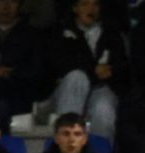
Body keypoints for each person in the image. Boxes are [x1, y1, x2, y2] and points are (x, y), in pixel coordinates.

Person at [47, 0, 128, 143]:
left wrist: (110, 71)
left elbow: (122, 67)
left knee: (103, 108)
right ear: (75, 8)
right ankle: (65, 151)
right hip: (67, 90)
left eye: (95, 4)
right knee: (78, 77)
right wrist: (93, 70)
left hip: (100, 88)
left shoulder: (111, 34)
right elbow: (58, 64)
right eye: (85, 4)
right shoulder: (59, 32)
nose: (91, 9)